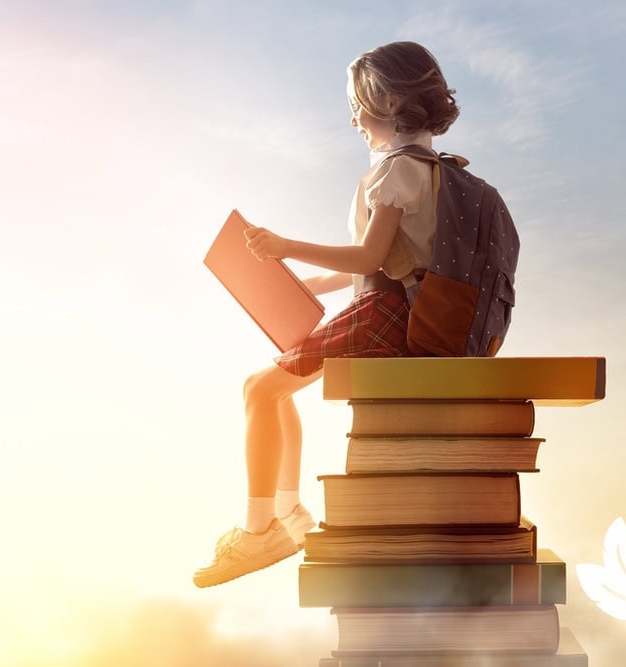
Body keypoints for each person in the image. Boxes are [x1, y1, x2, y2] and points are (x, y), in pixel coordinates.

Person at [193, 41, 460, 588]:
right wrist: (303, 286)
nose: (354, 119)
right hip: (388, 308)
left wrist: (284, 247)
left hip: (385, 320)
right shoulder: (426, 168)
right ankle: (286, 514)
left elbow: (367, 258)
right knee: (267, 388)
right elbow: (389, 261)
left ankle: (261, 528)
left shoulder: (397, 172)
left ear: (386, 102)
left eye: (357, 104)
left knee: (260, 390)